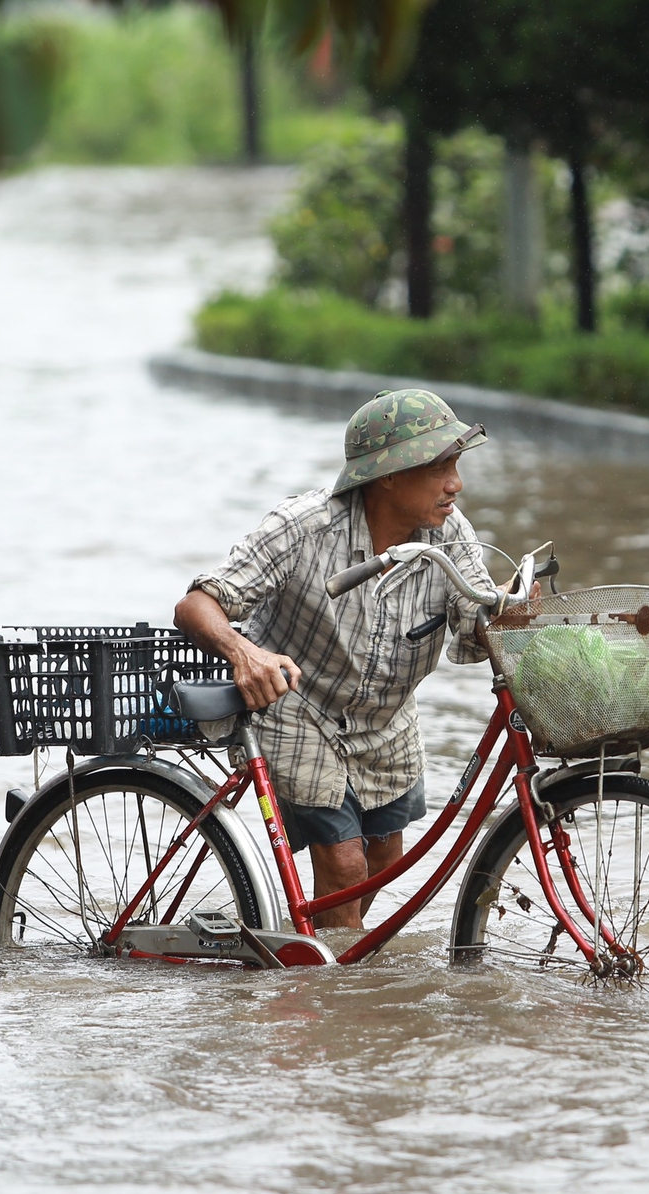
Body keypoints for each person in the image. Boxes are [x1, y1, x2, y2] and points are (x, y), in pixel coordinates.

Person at [173, 389, 499, 929]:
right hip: (298, 709)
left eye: (456, 465)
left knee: (381, 863)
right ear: (387, 475)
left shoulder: (451, 534)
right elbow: (197, 604)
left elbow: (477, 626)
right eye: (439, 467)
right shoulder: (305, 526)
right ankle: (330, 996)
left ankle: (326, 965)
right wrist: (244, 652)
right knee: (346, 866)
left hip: (385, 721)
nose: (455, 484)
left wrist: (514, 611)